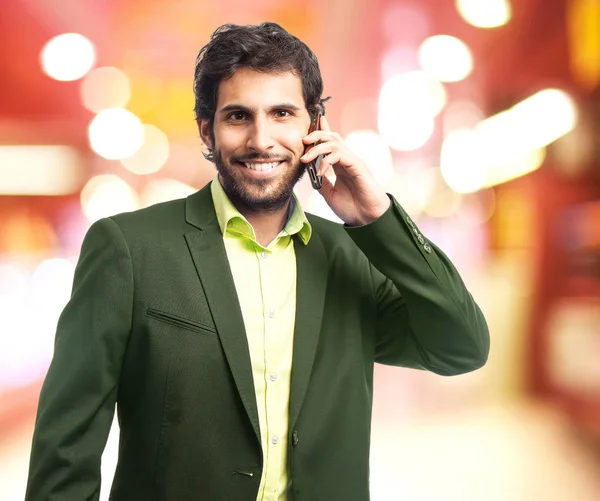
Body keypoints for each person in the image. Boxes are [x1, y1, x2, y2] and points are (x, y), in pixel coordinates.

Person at [25, 22, 489, 501]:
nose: (261, 139)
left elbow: (462, 346)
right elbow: (67, 450)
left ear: (315, 128)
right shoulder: (129, 249)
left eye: (282, 113)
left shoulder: (352, 257)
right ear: (208, 129)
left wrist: (378, 218)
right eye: (238, 116)